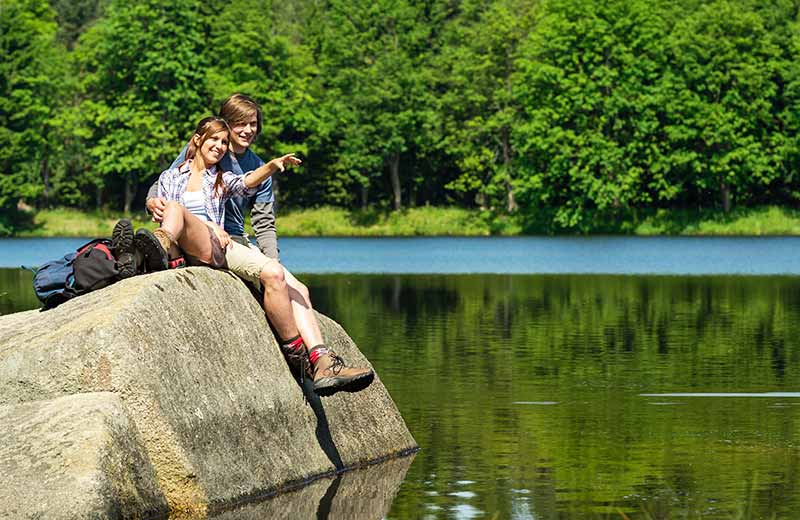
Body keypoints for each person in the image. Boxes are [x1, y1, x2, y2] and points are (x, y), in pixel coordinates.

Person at [146, 114, 374, 397]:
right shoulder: (169, 177)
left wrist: (271, 166)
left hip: (214, 246)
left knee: (275, 274)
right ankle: (158, 247)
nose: (219, 146)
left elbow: (246, 182)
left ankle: (307, 358)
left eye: (223, 142)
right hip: (184, 243)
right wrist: (156, 205)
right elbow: (162, 206)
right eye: (214, 139)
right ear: (197, 140)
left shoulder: (220, 178)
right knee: (173, 210)